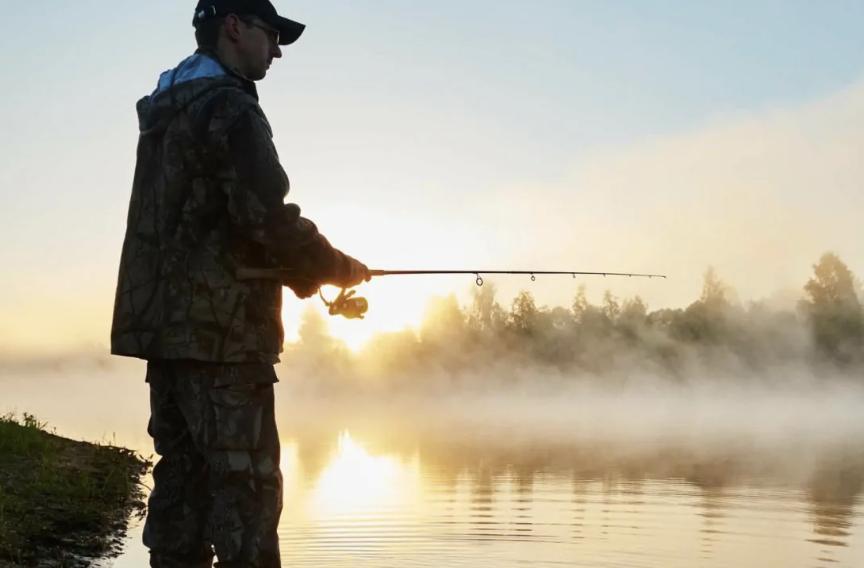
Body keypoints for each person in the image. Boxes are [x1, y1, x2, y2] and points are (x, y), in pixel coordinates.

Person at [110, 1, 369, 565]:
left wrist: (301, 277)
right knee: (245, 496)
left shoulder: (167, 109)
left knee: (181, 487)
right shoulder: (229, 107)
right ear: (233, 26)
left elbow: (208, 226)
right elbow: (265, 218)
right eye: (271, 35)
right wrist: (335, 266)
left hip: (164, 333)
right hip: (225, 338)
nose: (276, 50)